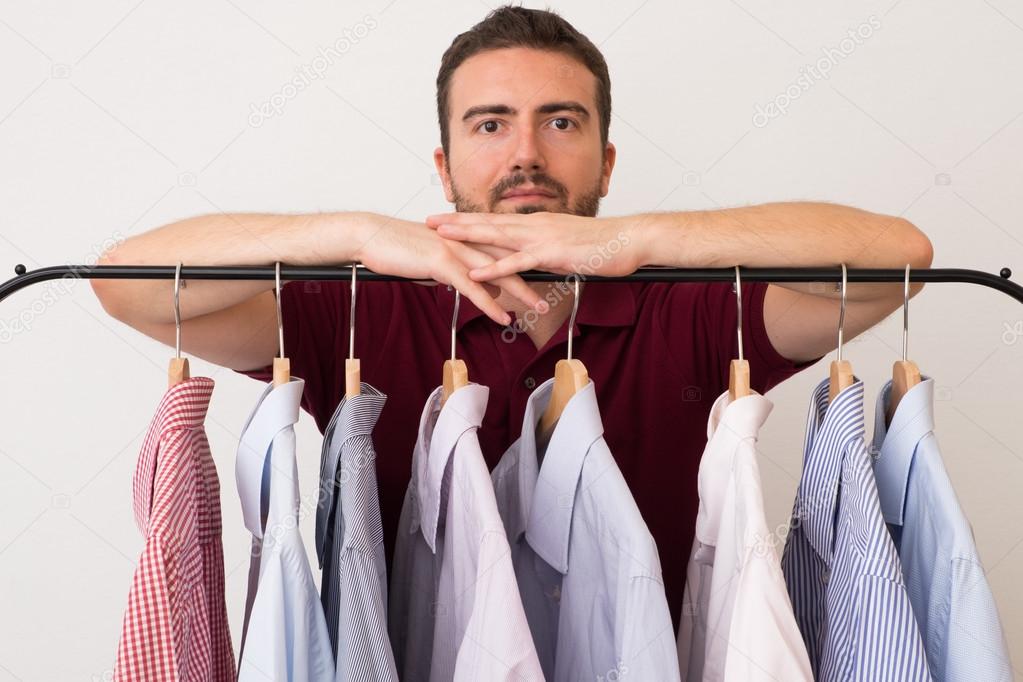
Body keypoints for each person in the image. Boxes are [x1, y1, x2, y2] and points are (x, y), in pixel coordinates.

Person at [92, 5, 934, 630]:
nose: (525, 153)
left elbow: (898, 256)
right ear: (445, 162)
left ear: (605, 159)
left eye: (559, 123)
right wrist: (355, 234)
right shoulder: (359, 311)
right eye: (489, 124)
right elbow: (125, 283)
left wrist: (636, 239)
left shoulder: (693, 308)